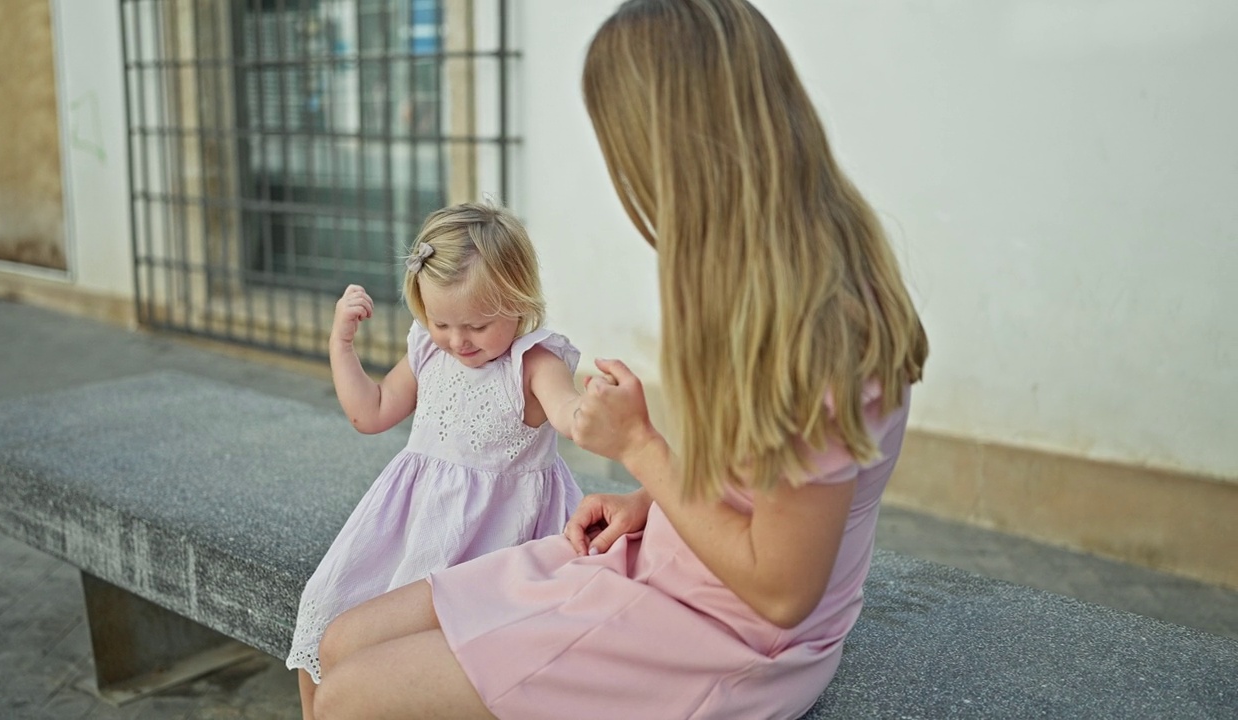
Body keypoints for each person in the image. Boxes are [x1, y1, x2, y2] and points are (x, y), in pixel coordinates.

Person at [311, 0, 929, 717]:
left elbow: (784, 592)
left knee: (351, 696)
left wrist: (639, 446)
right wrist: (650, 503)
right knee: (341, 642)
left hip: (723, 633)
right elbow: (754, 489)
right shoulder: (755, 283)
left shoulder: (819, 329)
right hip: (664, 562)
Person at [287, 201, 586, 717]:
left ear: (519, 298)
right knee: (323, 603)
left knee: (409, 657)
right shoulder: (429, 349)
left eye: (476, 325)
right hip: (410, 525)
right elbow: (372, 411)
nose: (457, 340)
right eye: (441, 321)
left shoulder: (534, 362)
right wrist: (342, 344)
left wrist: (595, 410)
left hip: (495, 540)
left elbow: (571, 413)